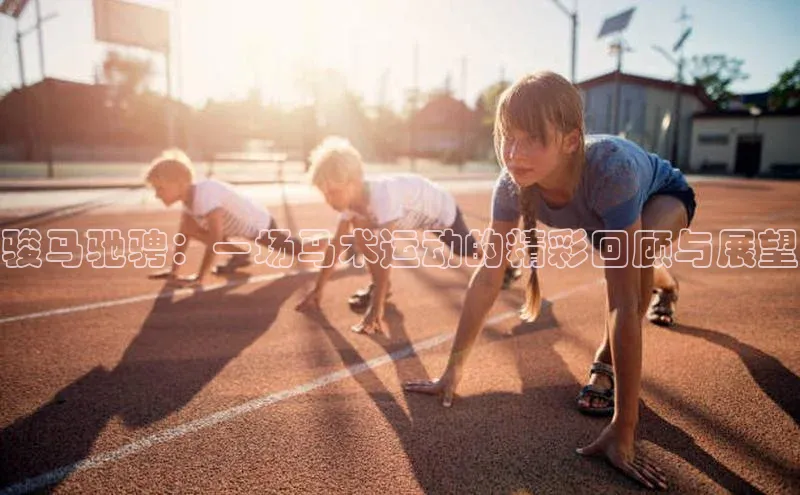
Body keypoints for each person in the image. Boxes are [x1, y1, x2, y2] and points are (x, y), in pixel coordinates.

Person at [403, 71, 697, 490]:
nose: (514, 153)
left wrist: (624, 428)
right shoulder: (511, 185)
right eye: (508, 138)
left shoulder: (611, 171)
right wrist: (451, 370)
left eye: (531, 139)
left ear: (571, 141)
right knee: (632, 265)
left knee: (636, 262)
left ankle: (605, 359)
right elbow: (488, 277)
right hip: (604, 216)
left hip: (662, 196)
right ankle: (666, 285)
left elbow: (623, 305)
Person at [295, 136, 521, 333]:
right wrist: (318, 290)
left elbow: (385, 253)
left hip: (441, 212)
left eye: (333, 192)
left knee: (465, 249)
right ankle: (381, 287)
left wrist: (376, 307)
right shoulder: (352, 206)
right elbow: (335, 246)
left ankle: (504, 264)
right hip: (415, 216)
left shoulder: (383, 196)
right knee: (360, 232)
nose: (329, 200)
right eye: (324, 194)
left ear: (354, 182)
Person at [145, 149, 323, 285]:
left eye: (160, 188)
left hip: (260, 226)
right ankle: (240, 255)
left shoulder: (205, 195)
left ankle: (332, 243)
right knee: (188, 228)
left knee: (298, 250)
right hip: (234, 228)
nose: (157, 195)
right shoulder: (188, 201)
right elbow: (183, 237)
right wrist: (174, 271)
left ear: (181, 183)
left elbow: (215, 240)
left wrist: (200, 277)